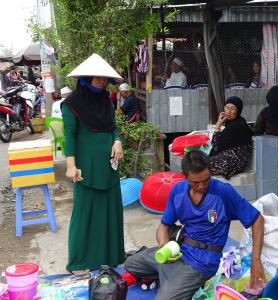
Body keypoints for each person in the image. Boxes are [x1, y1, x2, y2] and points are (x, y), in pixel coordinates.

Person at [124, 150, 265, 300]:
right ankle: (171, 278)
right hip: (178, 252)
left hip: (202, 262)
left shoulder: (223, 192)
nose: (202, 186)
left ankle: (175, 281)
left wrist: (256, 261)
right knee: (131, 264)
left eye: (206, 180)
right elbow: (164, 226)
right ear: (184, 176)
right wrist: (164, 247)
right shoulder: (178, 191)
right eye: (195, 182)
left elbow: (257, 220)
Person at [61, 53, 125, 274]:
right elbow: (69, 136)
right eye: (97, 78)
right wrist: (70, 165)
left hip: (109, 166)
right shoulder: (70, 104)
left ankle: (111, 256)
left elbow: (113, 126)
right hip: (86, 169)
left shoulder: (105, 100)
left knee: (110, 211)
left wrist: (117, 141)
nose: (101, 81)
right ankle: (78, 262)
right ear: (86, 78)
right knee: (84, 214)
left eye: (104, 78)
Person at [209, 96, 253, 179]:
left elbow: (216, 145)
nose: (228, 112)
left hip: (234, 162)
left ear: (238, 110)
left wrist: (218, 124)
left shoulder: (236, 126)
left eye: (232, 109)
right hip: (235, 160)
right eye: (227, 108)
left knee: (199, 166)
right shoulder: (238, 122)